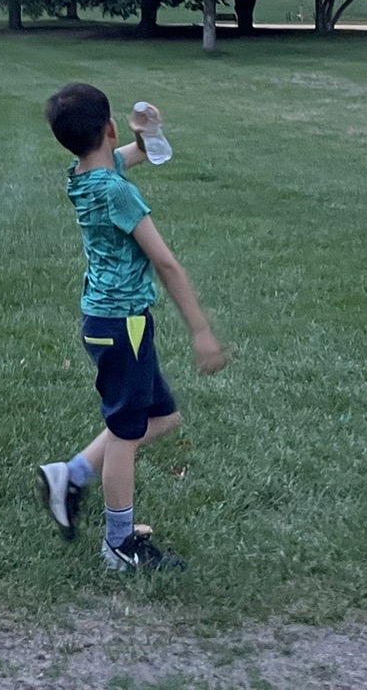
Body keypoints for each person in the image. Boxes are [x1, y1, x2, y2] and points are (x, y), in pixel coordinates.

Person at [36, 82, 225, 571]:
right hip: (123, 325)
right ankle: (119, 545)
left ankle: (70, 475)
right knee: (126, 432)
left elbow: (141, 155)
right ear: (109, 128)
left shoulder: (82, 175)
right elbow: (166, 264)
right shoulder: (117, 192)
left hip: (107, 320)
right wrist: (201, 331)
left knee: (162, 418)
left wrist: (150, 135)